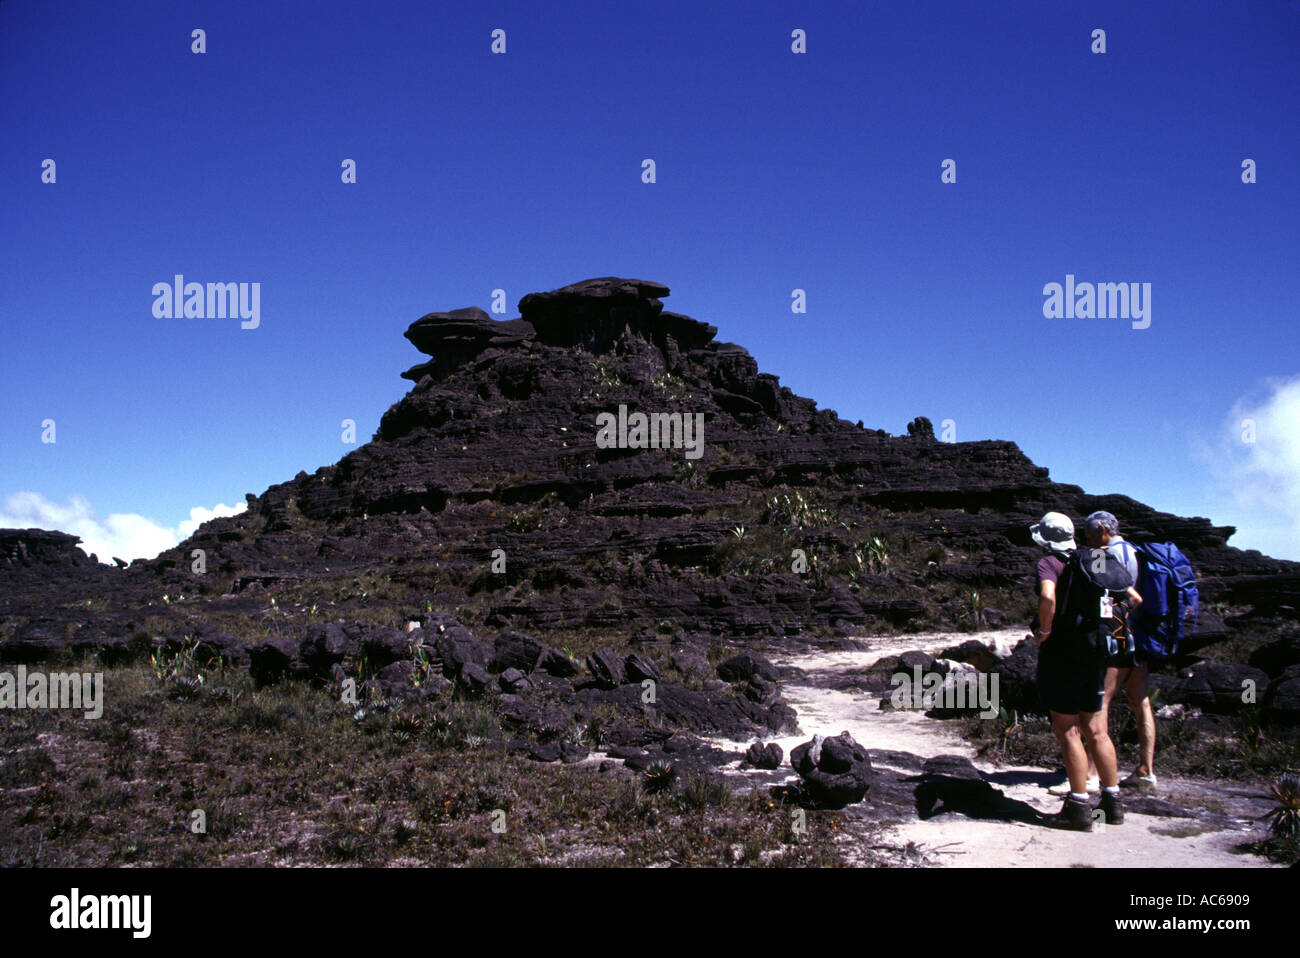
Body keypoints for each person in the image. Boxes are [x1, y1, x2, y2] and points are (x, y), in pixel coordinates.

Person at [1028, 511, 1126, 831]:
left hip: (1064, 655)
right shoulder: (1092, 559)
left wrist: (1044, 631)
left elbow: (1047, 596)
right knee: (1097, 730)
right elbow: (1120, 596)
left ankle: (1079, 807)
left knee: (1068, 730)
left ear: (1045, 540)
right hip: (1096, 652)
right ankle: (1113, 804)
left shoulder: (1050, 563)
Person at [1087, 511, 1158, 792]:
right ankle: (1145, 769)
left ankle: (1092, 773)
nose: (1088, 540)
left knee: (1101, 701)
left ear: (1103, 529)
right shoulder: (1139, 552)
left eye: (1090, 534)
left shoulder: (1105, 555)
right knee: (1141, 702)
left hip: (1118, 637)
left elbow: (1107, 597)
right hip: (1143, 637)